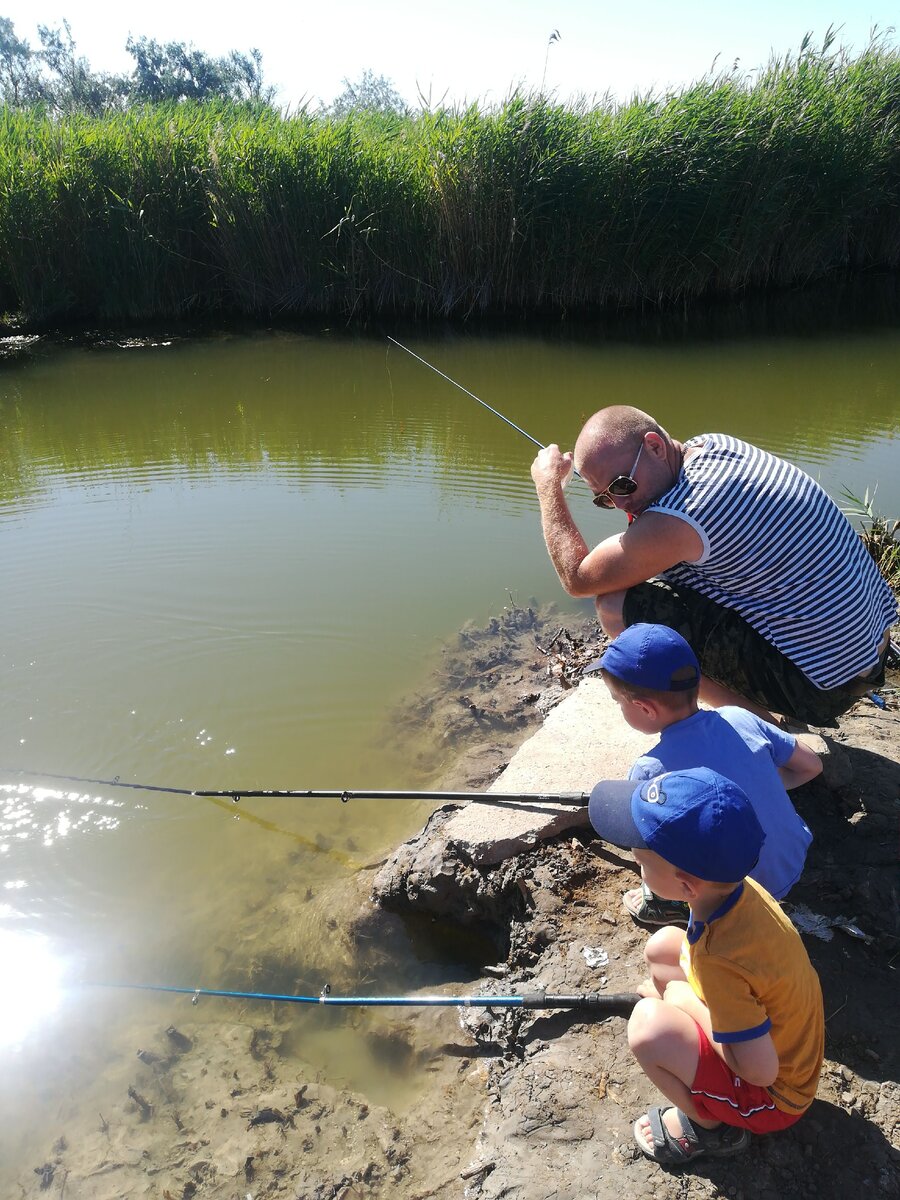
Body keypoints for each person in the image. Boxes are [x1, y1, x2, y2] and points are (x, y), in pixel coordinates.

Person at [530, 406, 897, 724]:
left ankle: (767, 736)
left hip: (824, 688)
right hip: (866, 654)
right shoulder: (714, 446)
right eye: (604, 499)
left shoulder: (685, 516)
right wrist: (629, 498)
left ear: (655, 446)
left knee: (614, 606)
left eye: (622, 485)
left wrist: (548, 486)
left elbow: (578, 577)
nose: (621, 504)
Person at [588, 766, 825, 1165]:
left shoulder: (722, 956)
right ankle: (689, 1042)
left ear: (686, 886)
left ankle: (710, 1128)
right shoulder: (738, 888)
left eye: (642, 863)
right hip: (772, 1033)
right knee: (664, 947)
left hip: (774, 1098)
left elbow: (760, 1071)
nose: (636, 869)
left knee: (648, 1028)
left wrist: (683, 1000)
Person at [595, 622, 822, 925]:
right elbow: (812, 766)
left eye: (617, 701)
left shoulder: (651, 770)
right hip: (793, 860)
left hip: (738, 894)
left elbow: (647, 843)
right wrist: (754, 783)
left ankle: (667, 905)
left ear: (645, 708)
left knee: (653, 841)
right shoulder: (740, 717)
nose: (618, 707)